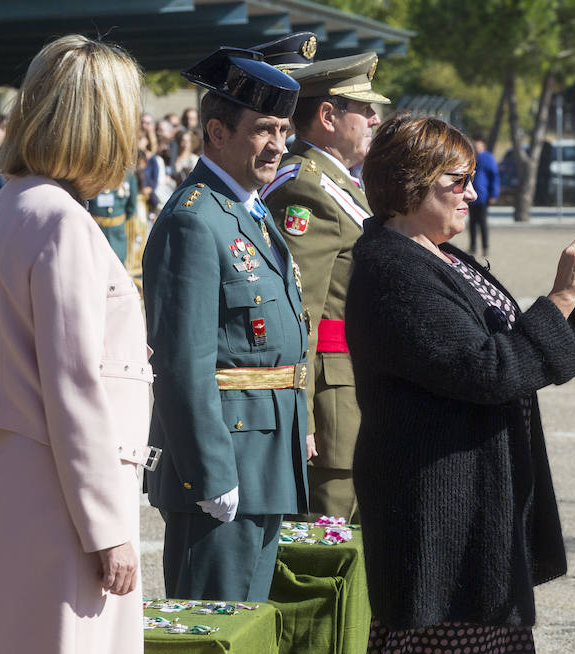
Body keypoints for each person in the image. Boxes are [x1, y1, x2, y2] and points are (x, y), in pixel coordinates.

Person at [346, 112, 575, 653]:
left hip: (470, 501)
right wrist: (562, 298)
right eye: (457, 181)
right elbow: (489, 369)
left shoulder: (434, 254)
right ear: (410, 181)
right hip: (439, 510)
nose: (472, 194)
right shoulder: (393, 269)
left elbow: (505, 343)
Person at [0, 34, 152, 654]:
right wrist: (107, 527)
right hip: (66, 497)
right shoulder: (62, 221)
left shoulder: (9, 207)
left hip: (17, 481)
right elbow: (74, 385)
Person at [142, 46, 308, 602]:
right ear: (216, 132)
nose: (279, 145)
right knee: (216, 624)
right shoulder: (195, 219)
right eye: (264, 130)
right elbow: (182, 364)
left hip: (264, 457)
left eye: (283, 130)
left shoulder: (247, 212)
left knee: (249, 624)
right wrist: (210, 474)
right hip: (223, 467)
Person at [261, 52, 388, 522]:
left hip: (356, 388)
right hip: (331, 406)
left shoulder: (340, 183)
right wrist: (303, 420)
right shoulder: (305, 189)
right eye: (364, 108)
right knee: (328, 550)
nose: (374, 117)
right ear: (328, 117)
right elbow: (299, 315)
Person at [87, 172, 139, 264]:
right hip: (95, 233)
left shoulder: (128, 175)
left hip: (117, 235)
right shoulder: (91, 171)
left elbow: (131, 207)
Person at [467, 134, 500, 257]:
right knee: (472, 223)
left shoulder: (488, 158)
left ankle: (485, 247)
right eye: (474, 142)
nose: (475, 145)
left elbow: (494, 177)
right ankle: (473, 247)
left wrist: (493, 194)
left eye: (478, 143)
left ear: (483, 144)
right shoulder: (470, 157)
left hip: (482, 196)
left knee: (482, 222)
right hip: (470, 196)